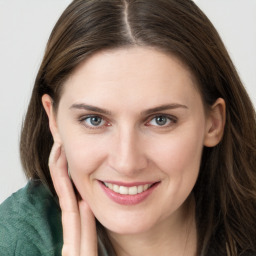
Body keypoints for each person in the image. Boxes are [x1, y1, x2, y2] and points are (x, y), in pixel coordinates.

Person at [0, 0, 255, 255]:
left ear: (213, 123)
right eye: (94, 120)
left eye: (160, 120)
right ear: (53, 121)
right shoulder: (15, 241)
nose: (126, 162)